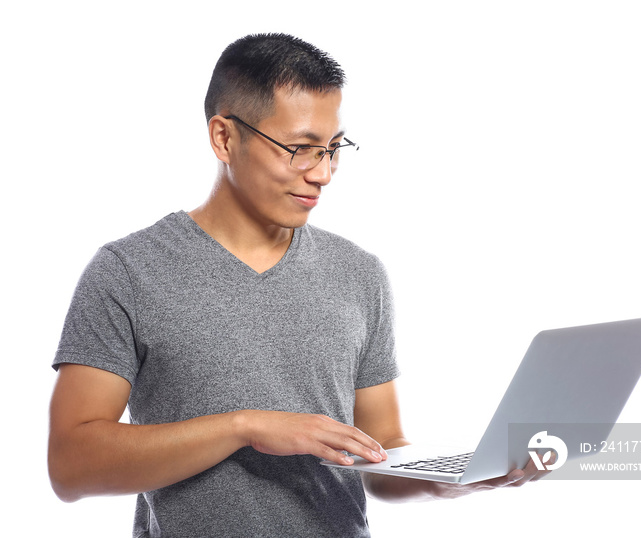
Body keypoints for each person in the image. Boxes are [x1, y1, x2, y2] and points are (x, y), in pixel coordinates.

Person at [49, 33, 544, 537]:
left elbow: (381, 451)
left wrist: (461, 477)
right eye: (301, 150)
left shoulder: (359, 273)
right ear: (224, 138)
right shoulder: (128, 271)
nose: (323, 173)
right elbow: (71, 465)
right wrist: (244, 427)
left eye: (333, 149)